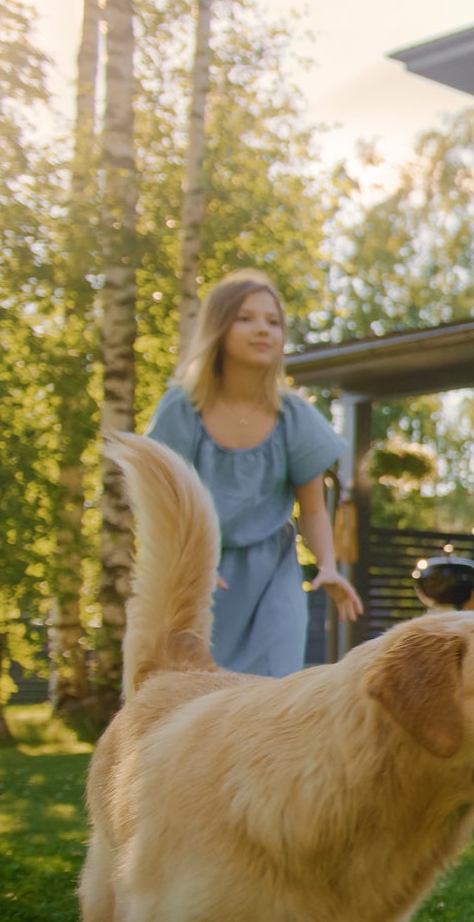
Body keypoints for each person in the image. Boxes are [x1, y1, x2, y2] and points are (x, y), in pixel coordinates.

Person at [146, 269, 363, 676]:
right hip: (197, 575)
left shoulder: (294, 416)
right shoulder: (181, 410)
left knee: (268, 693)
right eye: (246, 318)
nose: (263, 330)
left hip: (272, 576)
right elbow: (161, 503)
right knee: (193, 693)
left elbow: (313, 510)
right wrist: (188, 564)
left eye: (273, 321)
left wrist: (328, 566)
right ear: (218, 327)